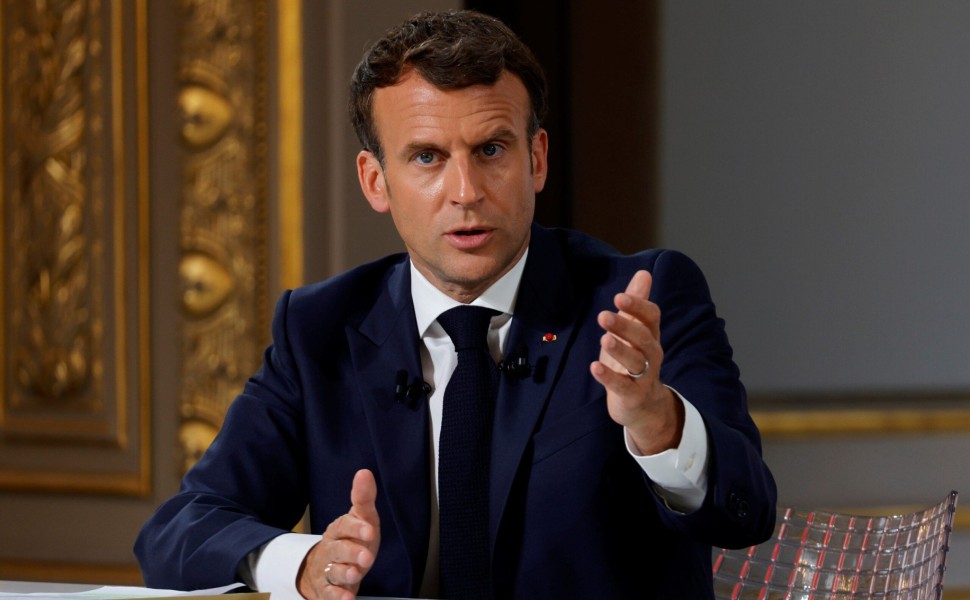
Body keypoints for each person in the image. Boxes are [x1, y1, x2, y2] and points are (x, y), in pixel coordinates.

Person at [135, 9, 776, 600]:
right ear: (375, 181)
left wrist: (654, 420)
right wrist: (303, 564)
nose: (465, 191)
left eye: (491, 150)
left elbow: (745, 508)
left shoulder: (640, 299)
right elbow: (178, 534)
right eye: (427, 157)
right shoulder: (319, 327)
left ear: (537, 158)